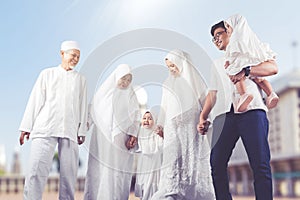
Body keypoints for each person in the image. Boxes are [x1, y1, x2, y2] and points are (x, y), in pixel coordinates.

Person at [198, 20, 278, 200]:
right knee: (216, 163)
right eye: (213, 38)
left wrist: (247, 70)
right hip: (224, 115)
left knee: (260, 163)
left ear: (230, 33)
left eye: (219, 34)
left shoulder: (248, 52)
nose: (216, 39)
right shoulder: (216, 64)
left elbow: (273, 68)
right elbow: (213, 93)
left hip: (252, 112)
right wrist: (203, 117)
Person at [19, 40, 88, 200]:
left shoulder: (81, 79)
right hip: (45, 127)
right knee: (36, 171)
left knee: (69, 176)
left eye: (78, 56)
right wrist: (26, 127)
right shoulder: (47, 74)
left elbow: (82, 106)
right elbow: (35, 100)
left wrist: (82, 130)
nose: (76, 59)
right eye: (73, 55)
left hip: (70, 130)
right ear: (62, 54)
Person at [151, 49, 215, 200]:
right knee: (172, 159)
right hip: (172, 128)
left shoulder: (194, 80)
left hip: (190, 128)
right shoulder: (167, 83)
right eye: (169, 67)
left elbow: (205, 100)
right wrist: (160, 125)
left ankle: (192, 193)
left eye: (173, 65)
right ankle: (172, 192)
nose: (171, 69)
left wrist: (204, 119)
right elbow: (164, 106)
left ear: (181, 63)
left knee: (190, 159)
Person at [84, 64, 140, 200]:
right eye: (123, 78)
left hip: (121, 141)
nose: (125, 82)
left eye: (128, 80)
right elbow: (91, 112)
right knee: (100, 169)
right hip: (102, 140)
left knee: (118, 171)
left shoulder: (131, 95)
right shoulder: (102, 94)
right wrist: (82, 129)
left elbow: (136, 117)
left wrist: (133, 135)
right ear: (116, 76)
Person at [223, 14, 279, 112]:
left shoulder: (235, 41)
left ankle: (244, 94)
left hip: (242, 64)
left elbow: (274, 69)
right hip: (255, 63)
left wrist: (231, 67)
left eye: (228, 26)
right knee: (260, 79)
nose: (227, 30)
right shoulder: (252, 39)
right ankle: (271, 94)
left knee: (234, 71)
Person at [135, 110, 163, 200]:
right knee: (144, 184)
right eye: (144, 118)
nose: (146, 120)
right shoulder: (140, 132)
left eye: (150, 118)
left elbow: (161, 146)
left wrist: (161, 135)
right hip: (143, 164)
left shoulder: (156, 133)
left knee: (152, 184)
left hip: (154, 164)